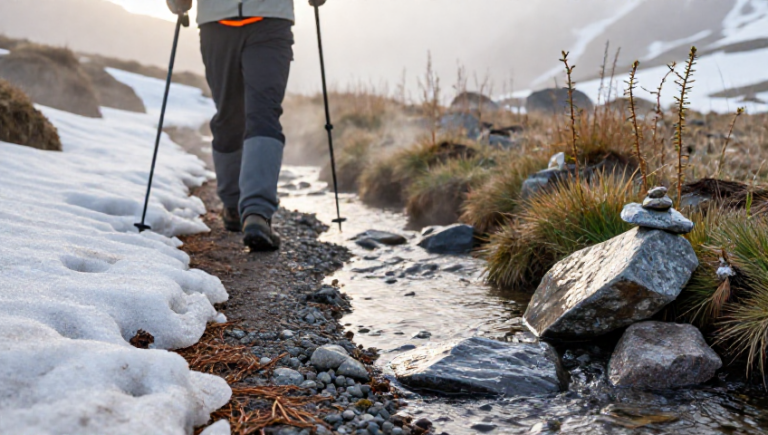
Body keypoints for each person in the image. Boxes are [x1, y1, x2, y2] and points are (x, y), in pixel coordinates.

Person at [166, 0, 326, 251]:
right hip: (245, 21)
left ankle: (251, 211)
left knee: (253, 114)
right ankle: (244, 210)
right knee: (239, 115)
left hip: (247, 22)